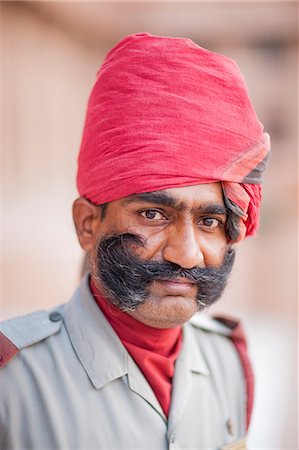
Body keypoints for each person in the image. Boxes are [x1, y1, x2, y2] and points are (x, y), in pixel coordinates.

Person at [0, 33, 270, 450]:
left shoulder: (229, 363)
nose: (186, 253)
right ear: (88, 223)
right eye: (153, 215)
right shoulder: (13, 378)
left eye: (211, 221)